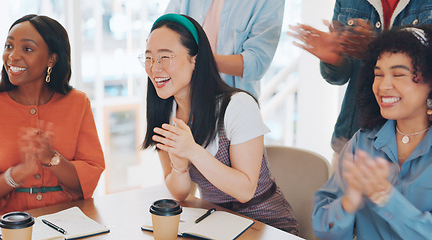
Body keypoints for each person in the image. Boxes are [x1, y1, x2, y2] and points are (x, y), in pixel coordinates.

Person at [140, 13, 298, 234]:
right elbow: (180, 193)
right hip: (216, 225)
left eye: (165, 57)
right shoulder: (166, 112)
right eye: (148, 58)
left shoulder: (238, 106)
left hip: (265, 225)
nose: (154, 68)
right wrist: (180, 166)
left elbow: (244, 190)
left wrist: (193, 151)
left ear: (195, 58)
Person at [0, 14, 105, 219]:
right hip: (4, 224)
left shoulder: (78, 103)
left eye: (27, 49)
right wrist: (16, 174)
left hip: (68, 219)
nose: (13, 56)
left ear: (51, 59)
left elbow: (89, 176)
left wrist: (51, 158)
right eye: (9, 46)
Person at [312, 25, 432, 239]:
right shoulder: (363, 141)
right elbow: (323, 228)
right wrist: (349, 202)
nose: (383, 86)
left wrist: (386, 198)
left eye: (398, 74)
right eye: (378, 74)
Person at [288, 0, 432, 172]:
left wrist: (376, 48)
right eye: (379, 74)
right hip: (355, 136)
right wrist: (333, 59)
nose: (385, 85)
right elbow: (339, 76)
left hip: (420, 143)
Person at [164, 0, 285, 98]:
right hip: (183, 101)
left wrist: (196, 60)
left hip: (232, 107)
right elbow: (164, 32)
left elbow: (256, 64)